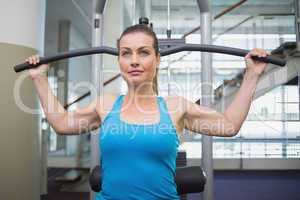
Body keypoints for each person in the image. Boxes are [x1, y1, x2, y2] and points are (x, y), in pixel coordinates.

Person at [26, 24, 269, 200]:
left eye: (143, 52)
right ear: (120, 61)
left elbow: (228, 125)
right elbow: (61, 123)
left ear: (157, 59)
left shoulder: (176, 107)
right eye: (126, 53)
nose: (134, 61)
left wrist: (252, 75)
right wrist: (39, 78)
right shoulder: (105, 105)